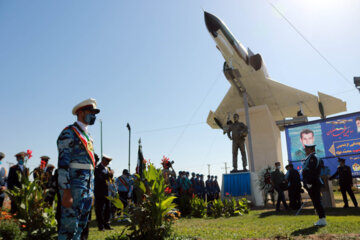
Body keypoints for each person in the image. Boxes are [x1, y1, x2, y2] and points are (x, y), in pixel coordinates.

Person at [57, 98, 100, 239]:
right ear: (80, 112)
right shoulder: (69, 132)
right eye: (90, 112)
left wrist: (91, 191)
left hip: (87, 189)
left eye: (95, 113)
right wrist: (66, 191)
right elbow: (63, 165)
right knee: (69, 227)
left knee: (80, 228)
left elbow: (90, 166)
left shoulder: (88, 137)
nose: (93, 116)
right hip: (74, 189)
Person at [302, 144, 326, 226]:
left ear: (310, 149)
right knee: (316, 201)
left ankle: (322, 219)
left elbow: (312, 171)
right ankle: (321, 218)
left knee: (317, 201)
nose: (305, 151)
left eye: (306, 149)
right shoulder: (311, 157)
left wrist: (309, 182)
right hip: (313, 182)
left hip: (313, 183)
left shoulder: (313, 157)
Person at [95, 154, 113, 231]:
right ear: (103, 160)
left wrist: (111, 175)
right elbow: (99, 179)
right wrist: (108, 175)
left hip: (107, 192)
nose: (108, 163)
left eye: (109, 161)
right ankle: (101, 226)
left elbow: (109, 178)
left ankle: (107, 224)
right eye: (107, 161)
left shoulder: (108, 168)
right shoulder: (98, 168)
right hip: (100, 192)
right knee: (100, 209)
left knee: (108, 209)